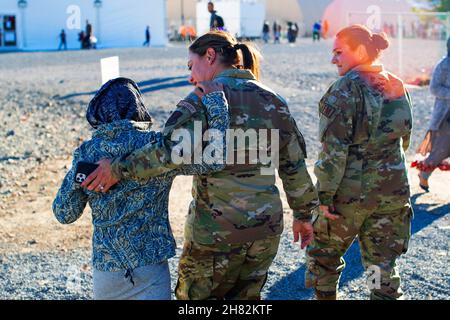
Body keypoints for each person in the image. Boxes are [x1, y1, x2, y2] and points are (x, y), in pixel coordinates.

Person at [81, 31, 319, 300]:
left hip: (216, 233)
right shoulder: (274, 100)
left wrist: (117, 168)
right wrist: (303, 215)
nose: (190, 75)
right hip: (264, 231)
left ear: (210, 56)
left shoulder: (204, 99)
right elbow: (293, 165)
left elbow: (167, 152)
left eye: (191, 65)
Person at [53, 77, 230, 300]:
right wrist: (216, 104)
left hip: (107, 273)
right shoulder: (157, 147)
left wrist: (76, 177)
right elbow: (214, 159)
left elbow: (64, 214)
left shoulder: (87, 153)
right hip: (151, 269)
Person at [306, 25, 414, 300]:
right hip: (391, 192)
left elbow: (333, 152)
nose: (334, 59)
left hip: (348, 197)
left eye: (339, 52)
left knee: (324, 260)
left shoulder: (344, 89)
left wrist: (324, 196)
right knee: (381, 267)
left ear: (362, 50)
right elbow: (404, 140)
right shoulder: (397, 83)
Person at [414, 37, 450, 191]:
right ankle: (424, 174)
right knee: (440, 150)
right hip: (445, 117)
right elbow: (434, 88)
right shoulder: (444, 65)